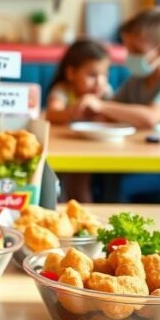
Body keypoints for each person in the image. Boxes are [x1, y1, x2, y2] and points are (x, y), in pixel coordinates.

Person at [75, 7, 160, 201]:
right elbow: (110, 111)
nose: (130, 56)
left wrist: (101, 106)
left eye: (136, 50)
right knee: (93, 177)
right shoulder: (136, 80)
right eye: (128, 49)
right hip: (129, 158)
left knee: (117, 185)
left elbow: (151, 117)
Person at [45, 39, 112, 201]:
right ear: (71, 74)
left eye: (104, 75)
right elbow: (52, 113)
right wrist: (73, 111)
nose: (99, 82)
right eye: (92, 75)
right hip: (65, 151)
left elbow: (112, 118)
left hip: (95, 151)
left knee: (81, 183)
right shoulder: (63, 90)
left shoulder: (104, 94)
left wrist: (101, 110)